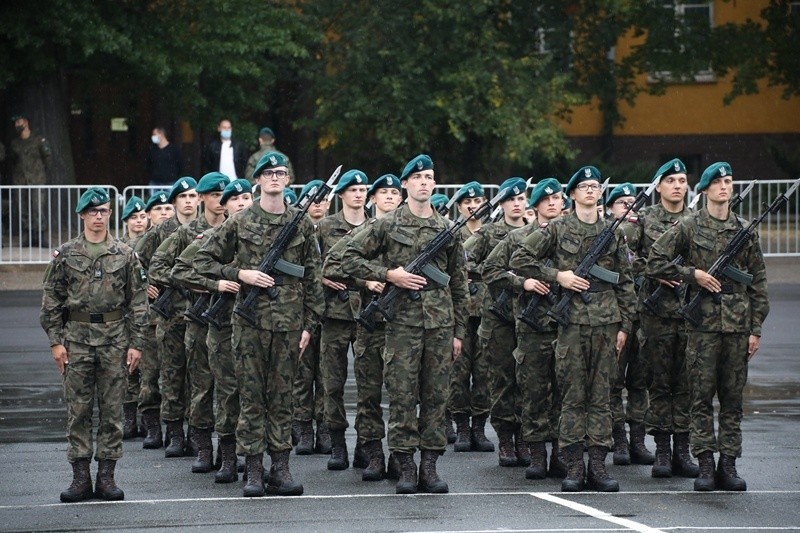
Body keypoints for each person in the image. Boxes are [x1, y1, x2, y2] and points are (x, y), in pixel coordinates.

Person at [193, 151, 323, 497]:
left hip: (289, 325)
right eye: (269, 173)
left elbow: (313, 277)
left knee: (282, 398)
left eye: (281, 173)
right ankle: (252, 469)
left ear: (287, 180)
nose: (276, 178)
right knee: (251, 397)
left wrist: (309, 325)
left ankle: (280, 468)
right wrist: (239, 274)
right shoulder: (239, 220)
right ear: (259, 180)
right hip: (249, 323)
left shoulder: (301, 222)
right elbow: (201, 261)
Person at [341, 153, 469, 494]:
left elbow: (459, 283)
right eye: (418, 177)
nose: (425, 182)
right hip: (402, 324)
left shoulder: (447, 228)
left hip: (440, 326)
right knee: (401, 396)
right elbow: (346, 258)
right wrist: (387, 274)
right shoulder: (387, 224)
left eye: (429, 177)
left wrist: (458, 332)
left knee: (436, 398)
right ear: (406, 184)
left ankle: (430, 465)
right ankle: (406, 465)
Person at [509, 166, 636, 493]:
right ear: (574, 193)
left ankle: (598, 465)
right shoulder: (558, 228)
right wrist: (558, 276)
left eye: (595, 186)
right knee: (572, 397)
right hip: (571, 324)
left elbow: (625, 280)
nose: (591, 191)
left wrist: (625, 324)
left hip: (606, 323)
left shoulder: (613, 230)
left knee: (602, 396)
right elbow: (520, 258)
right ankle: (574, 466)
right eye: (585, 186)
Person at [646, 162, 769, 492]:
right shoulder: (689, 226)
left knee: (732, 400)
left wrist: (755, 328)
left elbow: (757, 282)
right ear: (704, 190)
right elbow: (655, 261)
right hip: (700, 325)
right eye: (718, 182)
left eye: (728, 181)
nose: (725, 187)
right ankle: (704, 464)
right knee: (699, 398)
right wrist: (692, 274)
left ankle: (728, 464)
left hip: (737, 325)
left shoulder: (745, 228)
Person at [40, 187, 149, 502]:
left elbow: (139, 302)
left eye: (104, 211)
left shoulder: (126, 254)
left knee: (113, 411)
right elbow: (51, 300)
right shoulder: (67, 254)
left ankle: (106, 478)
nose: (99, 216)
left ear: (110, 214)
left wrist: (137, 343)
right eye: (93, 211)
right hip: (77, 341)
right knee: (79, 410)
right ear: (82, 215)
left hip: (115, 340)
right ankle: (79, 479)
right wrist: (55, 342)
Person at [320, 172, 402, 481]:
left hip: (403, 323)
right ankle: (370, 452)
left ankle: (399, 453)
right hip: (363, 318)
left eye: (395, 193)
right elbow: (329, 266)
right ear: (374, 199)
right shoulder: (365, 230)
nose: (390, 198)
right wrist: (370, 278)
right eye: (383, 193)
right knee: (364, 392)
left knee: (401, 394)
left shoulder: (415, 233)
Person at [482, 178, 566, 480]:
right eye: (547, 199)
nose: (553, 203)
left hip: (568, 325)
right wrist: (522, 282)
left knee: (564, 392)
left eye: (557, 198)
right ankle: (536, 453)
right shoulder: (519, 237)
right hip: (532, 326)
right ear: (537, 205)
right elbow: (489, 269)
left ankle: (560, 451)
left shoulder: (572, 235)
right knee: (533, 391)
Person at [170, 178, 253, 483]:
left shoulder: (260, 238)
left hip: (253, 324)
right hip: (218, 324)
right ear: (224, 205)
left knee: (246, 392)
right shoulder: (214, 236)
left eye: (247, 198)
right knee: (212, 389)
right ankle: (212, 451)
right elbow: (178, 270)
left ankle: (241, 454)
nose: (242, 204)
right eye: (235, 199)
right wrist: (215, 284)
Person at [149, 172, 230, 473]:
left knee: (229, 387)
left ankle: (227, 447)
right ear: (203, 199)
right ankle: (200, 445)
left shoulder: (234, 229)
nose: (222, 200)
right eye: (215, 194)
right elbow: (160, 266)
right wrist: (203, 283)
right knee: (199, 383)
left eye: (226, 195)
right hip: (191, 317)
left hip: (228, 319)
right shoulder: (187, 233)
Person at [625, 159, 699, 479]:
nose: (678, 185)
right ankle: (663, 452)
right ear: (658, 186)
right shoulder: (644, 220)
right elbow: (627, 261)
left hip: (690, 313)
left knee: (685, 384)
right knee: (658, 383)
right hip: (655, 314)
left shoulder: (697, 221)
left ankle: (683, 450)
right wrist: (658, 272)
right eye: (671, 180)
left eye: (682, 180)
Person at [464, 177, 528, 466]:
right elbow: (463, 260)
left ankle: (526, 439)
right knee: (502, 379)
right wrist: (498, 275)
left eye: (521, 198)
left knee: (529, 380)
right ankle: (505, 440)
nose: (517, 204)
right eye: (511, 199)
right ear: (502, 204)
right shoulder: (489, 233)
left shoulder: (536, 231)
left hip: (529, 316)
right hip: (499, 316)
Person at [135, 177, 199, 458]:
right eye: (182, 196)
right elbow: (133, 260)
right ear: (174, 202)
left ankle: (197, 432)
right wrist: (144, 283)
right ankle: (171, 432)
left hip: (201, 313)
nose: (188, 200)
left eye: (192, 195)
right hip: (170, 313)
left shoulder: (208, 229)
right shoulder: (162, 232)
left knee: (200, 379)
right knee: (170, 374)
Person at [317, 169, 369, 470]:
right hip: (334, 314)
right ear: (342, 195)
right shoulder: (325, 227)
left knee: (368, 383)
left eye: (363, 189)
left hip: (367, 313)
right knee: (332, 383)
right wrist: (325, 277)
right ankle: (337, 444)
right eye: (353, 190)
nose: (359, 194)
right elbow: (311, 266)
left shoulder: (378, 226)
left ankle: (365, 444)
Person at [603, 183, 656, 467]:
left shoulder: (647, 231)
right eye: (622, 203)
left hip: (643, 315)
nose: (629, 207)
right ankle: (618, 439)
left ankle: (637, 439)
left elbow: (659, 262)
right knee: (613, 381)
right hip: (615, 316)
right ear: (611, 208)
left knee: (639, 381)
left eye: (632, 202)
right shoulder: (607, 233)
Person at [448, 181, 489, 450]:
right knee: (459, 371)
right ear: (460, 207)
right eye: (467, 203)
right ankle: (461, 426)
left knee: (485, 371)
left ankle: (479, 428)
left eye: (478, 202)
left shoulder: (493, 232)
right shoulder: (452, 233)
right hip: (459, 311)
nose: (473, 207)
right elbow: (453, 266)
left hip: (488, 310)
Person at [291, 179, 331, 455]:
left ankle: (325, 428)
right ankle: (303, 427)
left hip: (331, 312)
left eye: (322, 200)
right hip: (299, 309)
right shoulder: (295, 231)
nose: (317, 204)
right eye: (312, 199)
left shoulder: (336, 230)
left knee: (327, 375)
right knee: (302, 374)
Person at [135, 190, 176, 449]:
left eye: (167, 209)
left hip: (179, 314)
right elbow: (132, 263)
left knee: (177, 377)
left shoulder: (185, 232)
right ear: (149, 215)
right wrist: (145, 282)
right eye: (158, 209)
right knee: (150, 376)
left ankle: (177, 428)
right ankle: (152, 427)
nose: (163, 213)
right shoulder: (150, 238)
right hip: (151, 318)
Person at [119, 196, 149, 439]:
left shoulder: (151, 243)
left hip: (147, 312)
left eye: (142, 216)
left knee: (148, 368)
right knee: (128, 368)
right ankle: (129, 419)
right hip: (124, 314)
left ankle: (148, 419)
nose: (139, 221)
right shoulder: (120, 247)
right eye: (134, 217)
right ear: (126, 221)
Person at [10, 113, 52, 247]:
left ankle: (40, 236)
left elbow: (47, 159)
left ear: (26, 122)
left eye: (19, 121)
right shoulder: (15, 143)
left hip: (37, 179)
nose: (17, 125)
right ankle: (28, 236)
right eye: (15, 123)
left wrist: (39, 173)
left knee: (38, 208)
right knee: (23, 209)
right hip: (20, 181)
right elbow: (12, 161)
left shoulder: (39, 140)